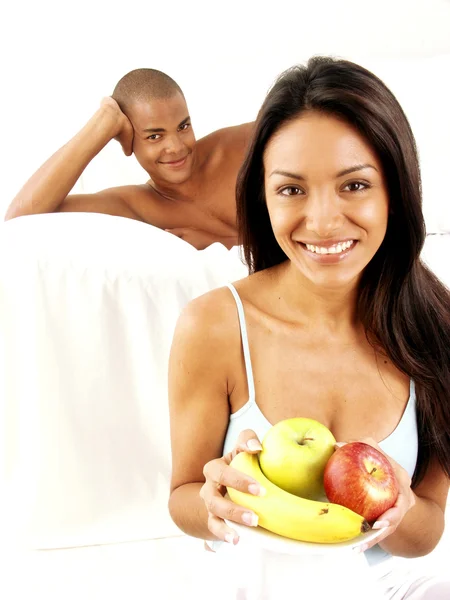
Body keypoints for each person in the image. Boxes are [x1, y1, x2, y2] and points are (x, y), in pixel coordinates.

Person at [167, 56, 450, 598]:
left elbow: (428, 530)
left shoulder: (434, 330)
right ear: (264, 196)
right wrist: (211, 498)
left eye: (354, 186)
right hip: (254, 585)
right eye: (292, 190)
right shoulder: (215, 325)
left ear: (395, 187)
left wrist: (404, 508)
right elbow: (182, 495)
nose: (322, 221)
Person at [4, 69, 254, 250]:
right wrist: (102, 125)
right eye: (155, 136)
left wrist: (223, 242)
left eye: (183, 126)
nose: (176, 147)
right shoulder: (136, 205)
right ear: (128, 141)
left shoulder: (244, 144)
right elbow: (21, 220)